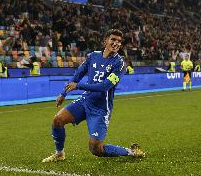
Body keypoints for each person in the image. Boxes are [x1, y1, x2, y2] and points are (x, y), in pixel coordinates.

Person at [42, 29, 145, 163]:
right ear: (105, 41)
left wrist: (79, 86)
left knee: (96, 149)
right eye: (113, 39)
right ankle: (59, 153)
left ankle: (131, 151)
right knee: (57, 120)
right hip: (85, 101)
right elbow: (78, 74)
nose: (116, 43)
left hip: (100, 109)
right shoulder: (93, 56)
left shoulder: (120, 64)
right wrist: (63, 93)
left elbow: (104, 87)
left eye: (119, 41)